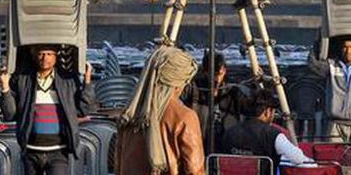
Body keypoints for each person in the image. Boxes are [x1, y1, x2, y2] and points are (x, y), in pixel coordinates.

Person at [0, 44, 96, 175]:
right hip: (31, 151)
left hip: (59, 152)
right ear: (34, 56)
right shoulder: (23, 80)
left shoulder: (67, 81)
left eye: (49, 54)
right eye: (41, 54)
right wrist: (5, 86)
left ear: (56, 56)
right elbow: (10, 114)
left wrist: (87, 81)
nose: (45, 58)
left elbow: (84, 109)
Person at [116, 46, 205, 175]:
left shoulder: (130, 113)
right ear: (179, 82)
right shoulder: (185, 117)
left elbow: (119, 166)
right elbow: (195, 171)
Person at [222, 88, 312, 171]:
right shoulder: (272, 134)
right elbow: (298, 158)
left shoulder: (229, 132)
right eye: (273, 112)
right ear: (267, 111)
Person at [181, 52, 245, 148]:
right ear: (205, 72)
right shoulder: (193, 90)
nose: (217, 78)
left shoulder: (232, 92)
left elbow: (248, 107)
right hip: (198, 144)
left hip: (225, 147)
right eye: (214, 74)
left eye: (221, 73)